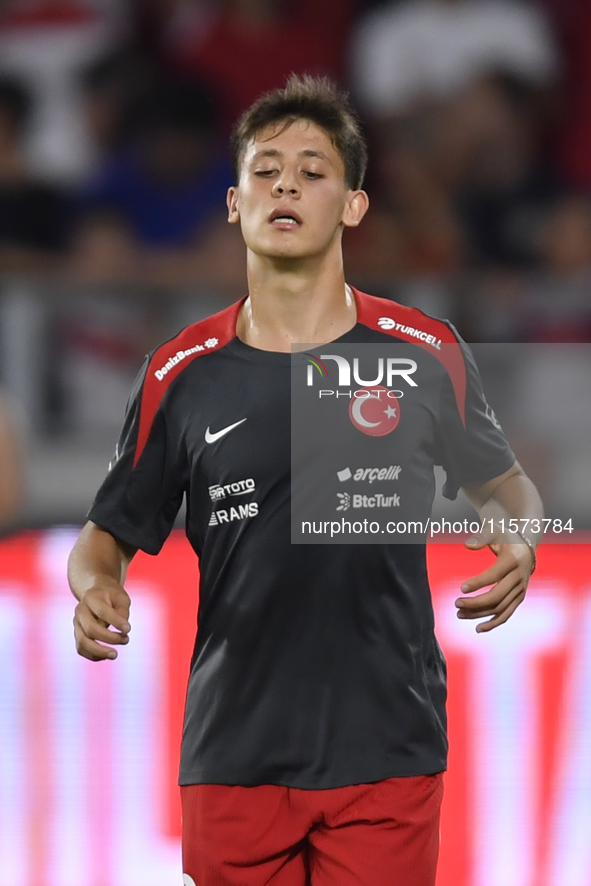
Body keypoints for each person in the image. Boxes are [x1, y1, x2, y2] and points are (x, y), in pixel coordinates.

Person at [68, 75, 544, 886]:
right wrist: (96, 588)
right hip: (233, 754)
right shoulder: (181, 373)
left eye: (313, 171)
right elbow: (104, 535)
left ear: (353, 206)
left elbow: (507, 486)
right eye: (265, 169)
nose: (286, 183)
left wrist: (521, 537)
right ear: (232, 202)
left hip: (386, 748)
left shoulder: (420, 350)